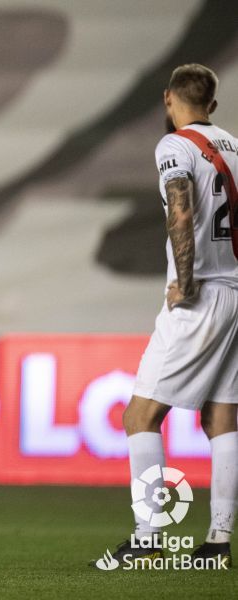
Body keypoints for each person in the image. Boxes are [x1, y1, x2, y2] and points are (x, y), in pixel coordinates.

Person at [102, 64, 238, 566]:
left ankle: (149, 536)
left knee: (140, 415)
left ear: (168, 99)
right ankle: (219, 542)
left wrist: (185, 277)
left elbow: (180, 208)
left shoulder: (174, 147)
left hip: (201, 295)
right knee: (223, 418)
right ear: (214, 105)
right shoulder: (235, 146)